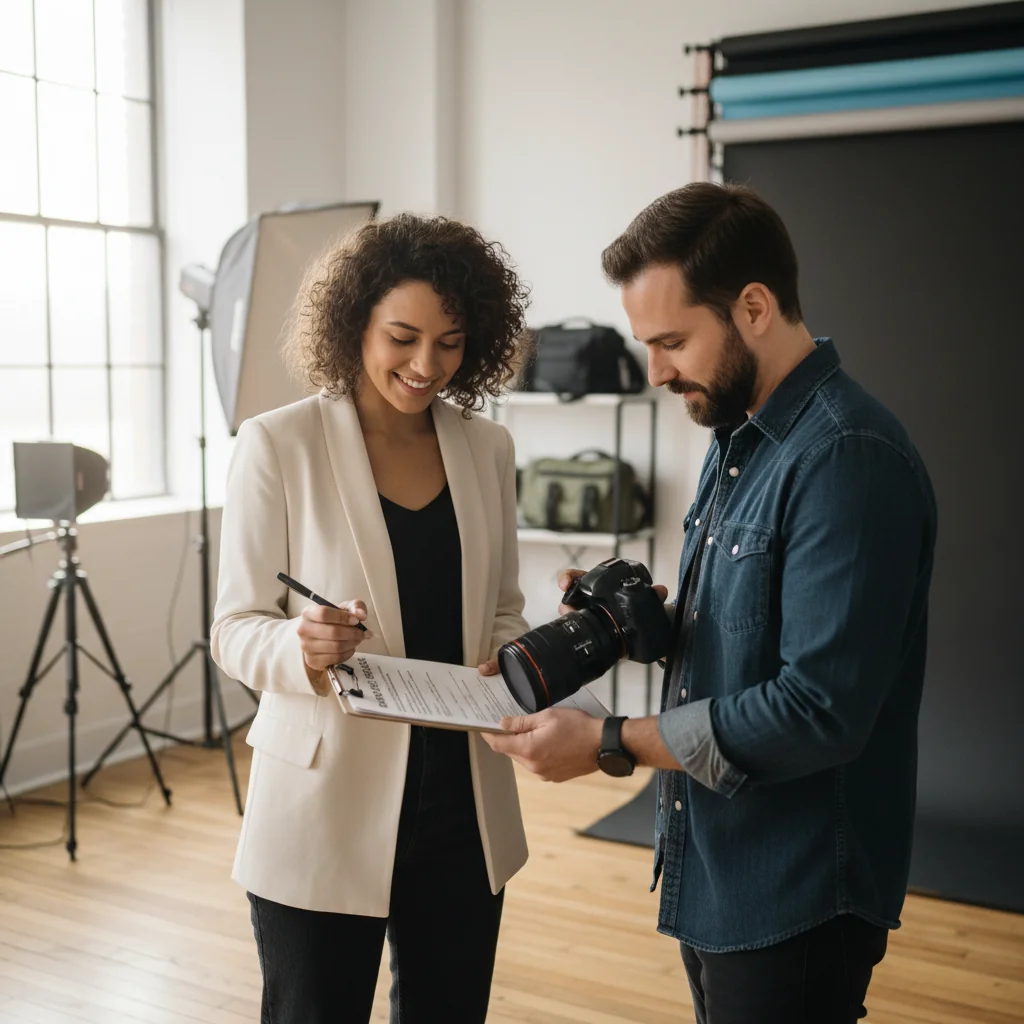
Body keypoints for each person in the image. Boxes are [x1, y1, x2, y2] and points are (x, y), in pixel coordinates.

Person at [484, 182, 937, 1024]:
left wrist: (610, 742)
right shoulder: (735, 437)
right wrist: (631, 625)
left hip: (796, 889)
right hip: (717, 865)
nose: (655, 372)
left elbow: (818, 711)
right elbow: (744, 634)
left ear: (755, 307)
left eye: (672, 342)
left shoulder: (847, 457)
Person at [211, 213, 532, 1024]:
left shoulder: (488, 450)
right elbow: (234, 626)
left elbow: (500, 610)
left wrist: (526, 665)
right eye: (403, 337)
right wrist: (301, 645)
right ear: (355, 322)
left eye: (451, 342)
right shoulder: (275, 444)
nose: (427, 365)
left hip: (462, 803)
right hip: (322, 801)